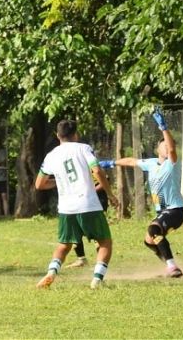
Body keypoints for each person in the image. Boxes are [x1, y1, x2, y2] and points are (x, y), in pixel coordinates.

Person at [34, 120, 113, 290]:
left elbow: (39, 184)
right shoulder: (83, 148)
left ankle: (51, 272)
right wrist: (110, 194)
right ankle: (97, 280)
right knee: (105, 242)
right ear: (76, 134)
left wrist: (58, 182)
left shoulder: (51, 155)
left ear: (57, 136)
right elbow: (97, 170)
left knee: (64, 245)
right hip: (88, 204)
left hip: (66, 208)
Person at [109, 108, 183, 278]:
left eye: (168, 144)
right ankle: (169, 263)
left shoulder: (171, 163)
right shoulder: (151, 163)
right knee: (148, 241)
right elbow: (131, 161)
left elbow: (172, 150)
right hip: (162, 211)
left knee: (153, 230)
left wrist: (164, 127)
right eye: (163, 145)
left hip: (175, 210)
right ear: (157, 148)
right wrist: (111, 163)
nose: (167, 147)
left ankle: (172, 267)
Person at [64, 161, 118, 268]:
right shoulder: (77, 168)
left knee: (96, 232)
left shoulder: (93, 166)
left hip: (97, 202)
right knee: (75, 230)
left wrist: (90, 190)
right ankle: (81, 259)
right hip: (82, 203)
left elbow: (104, 181)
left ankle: (100, 262)